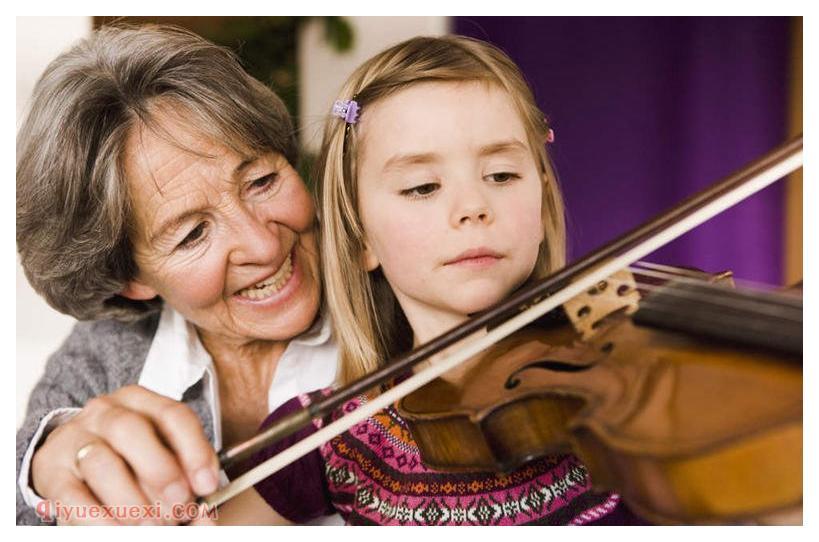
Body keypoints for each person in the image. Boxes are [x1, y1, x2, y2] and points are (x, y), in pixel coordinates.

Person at [212, 35, 646, 526]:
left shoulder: (626, 393)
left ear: (542, 199)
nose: (473, 207)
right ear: (360, 238)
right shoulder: (327, 435)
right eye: (422, 187)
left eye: (501, 175)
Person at [16, 24, 340, 525]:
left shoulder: (407, 295)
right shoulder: (99, 360)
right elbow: (25, 485)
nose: (263, 243)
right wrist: (47, 469)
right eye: (192, 235)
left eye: (261, 180)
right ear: (131, 278)